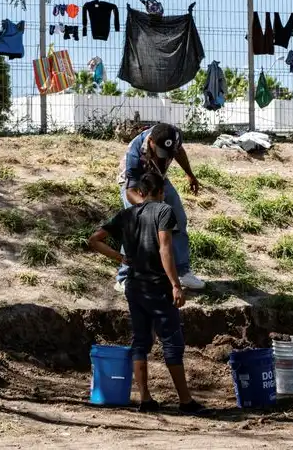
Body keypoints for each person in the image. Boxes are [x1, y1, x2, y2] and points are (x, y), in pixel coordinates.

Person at [88, 172, 208, 414]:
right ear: (161, 191)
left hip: (134, 287)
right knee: (172, 343)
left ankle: (145, 399)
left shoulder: (127, 214)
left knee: (141, 342)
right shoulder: (164, 211)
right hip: (157, 287)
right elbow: (165, 248)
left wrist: (120, 257)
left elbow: (94, 240)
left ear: (140, 193)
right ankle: (185, 401)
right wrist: (175, 284)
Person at [115, 123, 205, 292]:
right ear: (150, 142)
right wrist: (149, 208)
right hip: (135, 183)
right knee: (137, 225)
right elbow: (130, 192)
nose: (164, 157)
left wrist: (189, 174)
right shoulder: (134, 153)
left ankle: (182, 272)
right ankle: (124, 277)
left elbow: (179, 151)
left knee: (178, 218)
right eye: (160, 152)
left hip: (158, 177)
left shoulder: (174, 136)